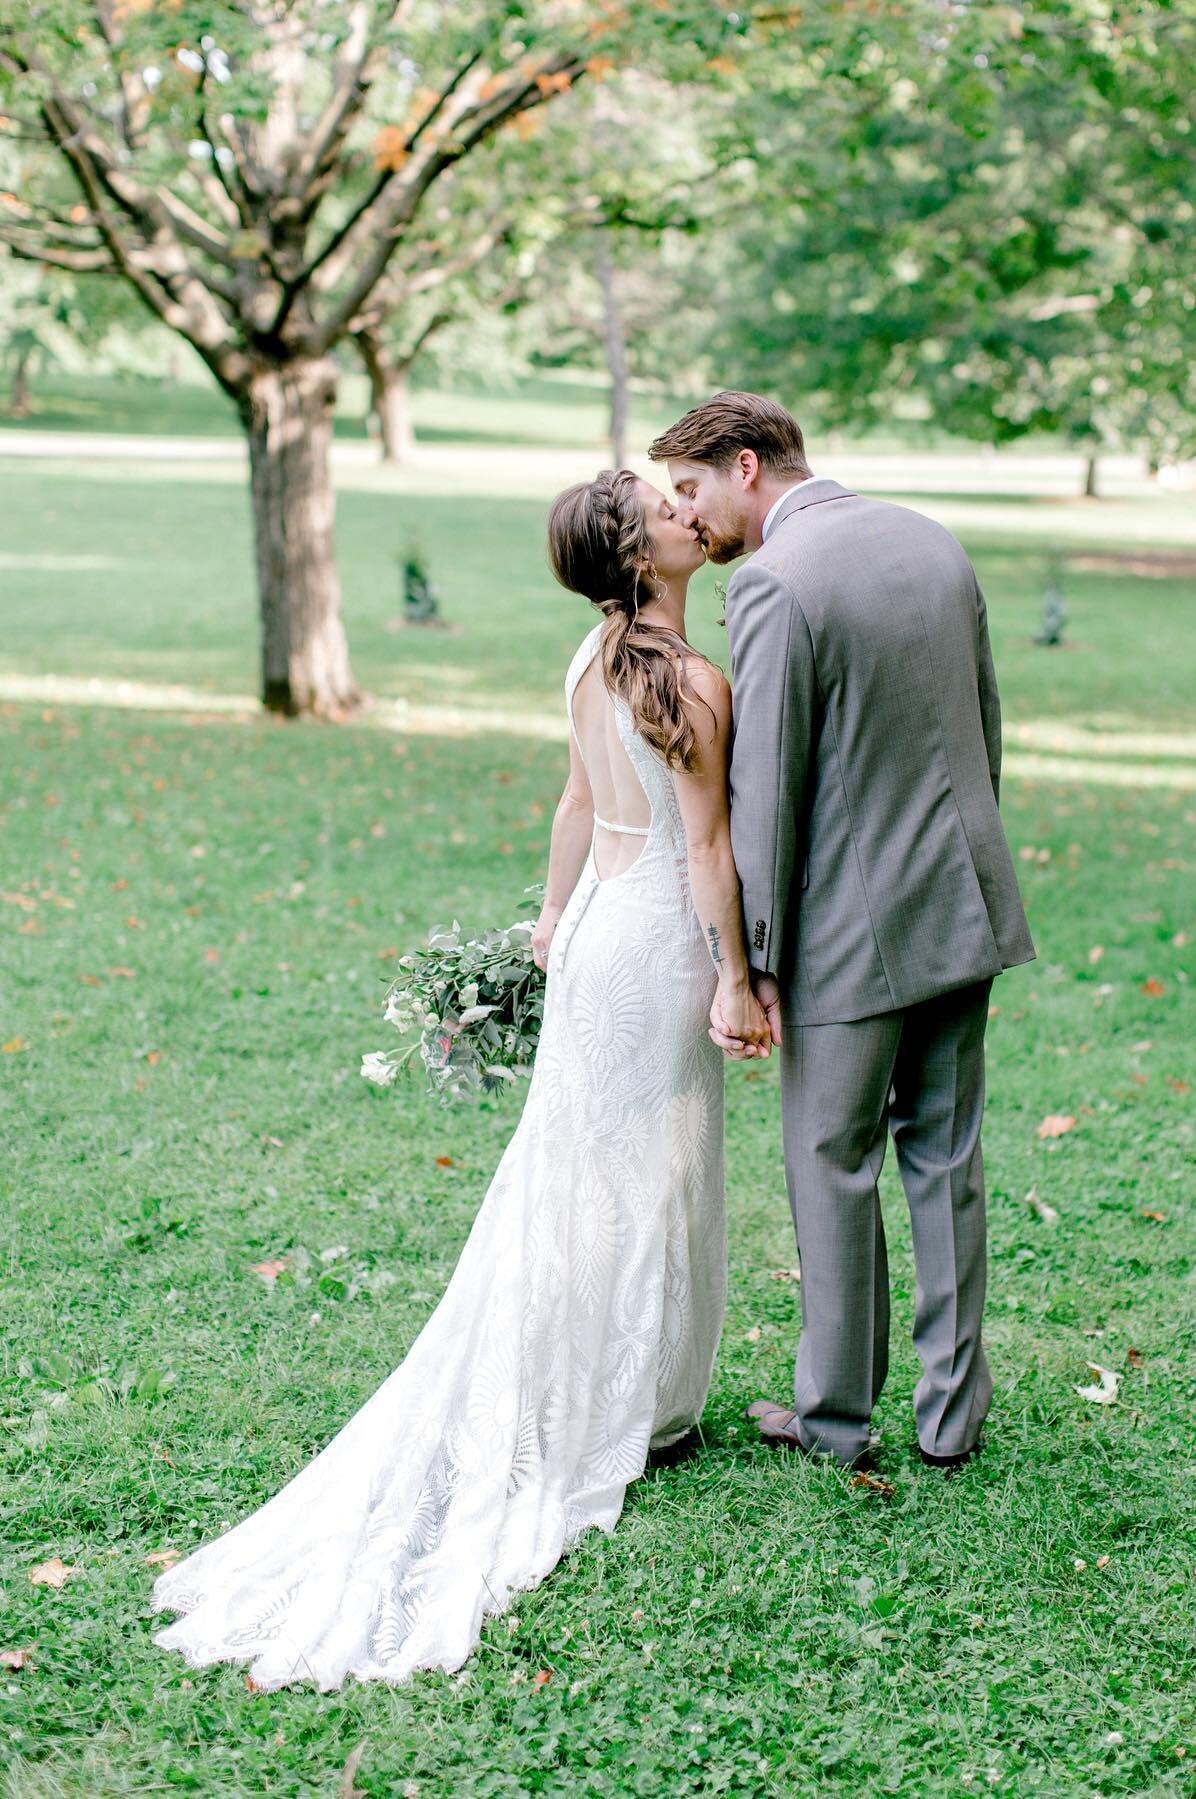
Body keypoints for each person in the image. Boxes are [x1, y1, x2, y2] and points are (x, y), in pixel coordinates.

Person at [151, 471, 766, 1690]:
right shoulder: (689, 679)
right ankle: (624, 1403)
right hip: (650, 943)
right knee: (650, 1164)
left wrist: (550, 922)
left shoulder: (593, 660)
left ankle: (622, 1383)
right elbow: (705, 845)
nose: (692, 515)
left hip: (597, 932)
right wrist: (735, 980)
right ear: (640, 557)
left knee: (585, 1164)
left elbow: (580, 802)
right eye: (666, 511)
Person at [650, 392, 1035, 1471]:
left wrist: (753, 960)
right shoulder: (932, 540)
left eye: (692, 489)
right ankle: (952, 1417)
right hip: (964, 900)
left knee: (833, 1162)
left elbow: (768, 784)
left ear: (745, 465)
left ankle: (834, 1419)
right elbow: (985, 726)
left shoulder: (774, 581)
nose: (693, 516)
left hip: (846, 938)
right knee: (946, 1157)